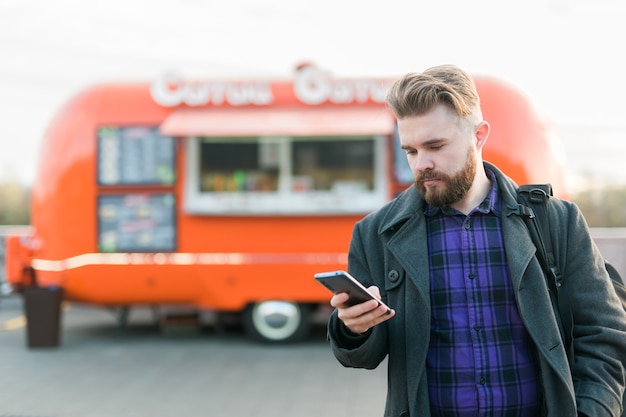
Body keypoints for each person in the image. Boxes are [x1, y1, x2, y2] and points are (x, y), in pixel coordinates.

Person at [327, 64, 626, 417]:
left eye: (435, 145)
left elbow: (605, 335)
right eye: (410, 151)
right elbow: (363, 356)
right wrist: (353, 329)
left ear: (479, 135)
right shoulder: (375, 234)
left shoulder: (557, 221)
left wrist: (592, 412)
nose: (422, 163)